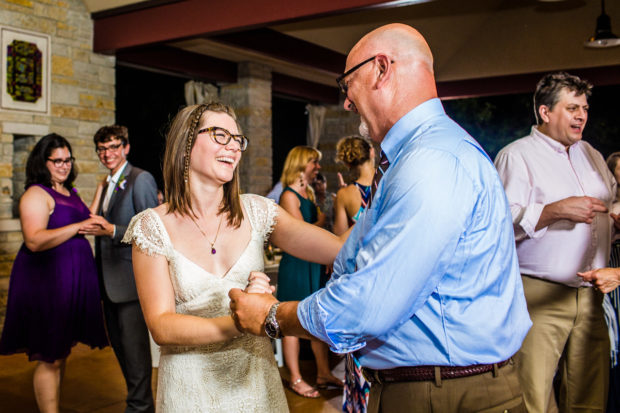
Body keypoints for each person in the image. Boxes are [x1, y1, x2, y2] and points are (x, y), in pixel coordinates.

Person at [230, 23, 531, 413]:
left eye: (347, 85)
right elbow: (352, 257)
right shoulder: (419, 156)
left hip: (446, 392)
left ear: (382, 68)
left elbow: (368, 304)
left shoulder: (432, 161)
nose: (346, 103)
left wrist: (273, 316)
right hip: (430, 385)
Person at [121, 102, 344, 412]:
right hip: (191, 391)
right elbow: (161, 326)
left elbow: (339, 249)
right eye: (219, 135)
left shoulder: (258, 211)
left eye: (238, 139)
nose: (234, 147)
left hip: (257, 387)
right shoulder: (152, 226)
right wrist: (245, 321)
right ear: (186, 144)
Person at [495, 72, 618, 413]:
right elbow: (499, 225)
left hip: (592, 297)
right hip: (538, 295)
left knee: (590, 396)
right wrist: (553, 211)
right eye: (572, 108)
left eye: (585, 108)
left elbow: (609, 203)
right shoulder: (516, 156)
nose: (582, 115)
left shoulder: (591, 154)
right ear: (546, 112)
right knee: (532, 396)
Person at [0, 134, 108, 413]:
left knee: (62, 350)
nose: (64, 165)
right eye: (57, 161)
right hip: (47, 282)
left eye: (68, 160)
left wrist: (100, 190)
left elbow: (84, 219)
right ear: (43, 162)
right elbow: (34, 240)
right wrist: (78, 227)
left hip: (69, 282)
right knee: (51, 355)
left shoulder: (68, 191)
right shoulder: (36, 194)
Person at [83, 125, 158, 413]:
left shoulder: (140, 179)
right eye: (102, 149)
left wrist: (113, 229)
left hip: (130, 283)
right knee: (123, 354)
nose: (108, 153)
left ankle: (138, 408)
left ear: (126, 148)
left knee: (136, 357)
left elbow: (152, 232)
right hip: (107, 284)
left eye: (114, 147)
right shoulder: (107, 182)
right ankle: (140, 405)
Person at [277, 146, 342, 398]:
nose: (317, 166)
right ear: (301, 163)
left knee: (317, 317)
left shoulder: (311, 192)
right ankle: (295, 378)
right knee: (291, 317)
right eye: (314, 162)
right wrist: (325, 215)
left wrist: (323, 196)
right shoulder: (288, 196)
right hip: (296, 264)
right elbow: (299, 232)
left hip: (313, 262)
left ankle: (323, 373)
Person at [333, 136, 375, 235]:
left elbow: (340, 235)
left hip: (364, 249)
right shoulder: (390, 179)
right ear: (372, 152)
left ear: (347, 164)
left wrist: (338, 201)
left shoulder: (344, 194)